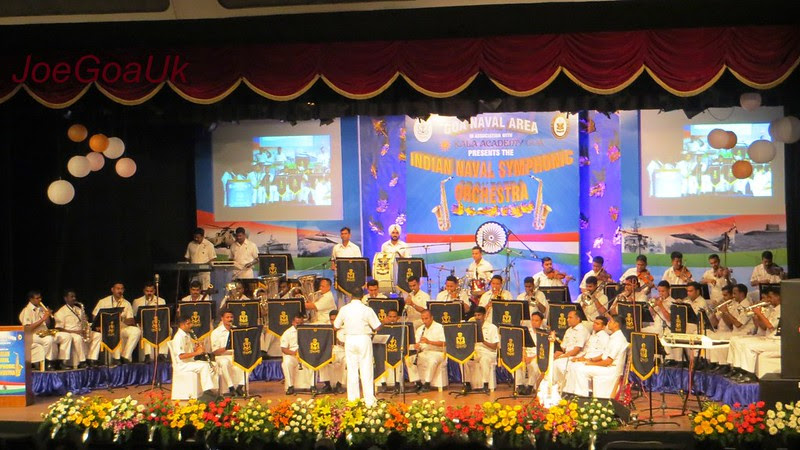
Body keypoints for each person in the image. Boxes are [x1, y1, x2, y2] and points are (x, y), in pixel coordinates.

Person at [333, 294, 382, 406]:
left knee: (352, 370)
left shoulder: (344, 309)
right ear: (361, 297)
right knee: (366, 369)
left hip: (350, 339)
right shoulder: (367, 309)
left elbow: (335, 326)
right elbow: (377, 327)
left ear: (351, 296)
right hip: (363, 339)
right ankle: (369, 401)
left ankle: (353, 401)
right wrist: (383, 322)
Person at [563, 314, 629, 398]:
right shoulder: (613, 337)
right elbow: (603, 355)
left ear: (616, 324)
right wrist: (589, 360)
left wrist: (591, 364)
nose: (608, 323)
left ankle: (581, 396)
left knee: (580, 369)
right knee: (575, 366)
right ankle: (570, 393)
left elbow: (608, 361)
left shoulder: (618, 339)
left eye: (610, 321)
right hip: (607, 366)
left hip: (611, 369)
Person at [727, 288, 781, 382]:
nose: (768, 299)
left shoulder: (781, 310)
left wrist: (759, 313)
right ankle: (737, 369)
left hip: (776, 341)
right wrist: (756, 316)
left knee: (749, 346)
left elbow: (770, 326)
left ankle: (750, 374)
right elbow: (763, 327)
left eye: (770, 297)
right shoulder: (773, 309)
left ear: (778, 297)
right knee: (736, 340)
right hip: (768, 338)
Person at [20, 290, 71, 371]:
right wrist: (43, 318)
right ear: (31, 299)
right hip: (33, 335)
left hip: (44, 332)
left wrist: (47, 317)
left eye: (40, 297)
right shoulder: (26, 311)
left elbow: (47, 325)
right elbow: (27, 328)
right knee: (49, 339)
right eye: (37, 298)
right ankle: (49, 362)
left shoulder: (41, 308)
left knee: (66, 336)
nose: (40, 300)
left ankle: (62, 361)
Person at [172, 314, 217, 402]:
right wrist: (196, 353)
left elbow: (190, 351)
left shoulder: (187, 335)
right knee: (204, 366)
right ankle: (207, 391)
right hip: (183, 365)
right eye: (188, 324)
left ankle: (213, 390)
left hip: (190, 362)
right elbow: (181, 356)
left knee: (213, 364)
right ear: (182, 325)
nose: (191, 325)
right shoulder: (178, 337)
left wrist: (197, 348)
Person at [93, 282, 142, 365]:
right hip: (108, 329)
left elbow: (131, 320)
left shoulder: (126, 303)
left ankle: (125, 356)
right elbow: (95, 316)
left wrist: (120, 319)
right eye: (118, 289)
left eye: (122, 289)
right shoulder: (103, 301)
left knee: (136, 331)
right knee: (115, 333)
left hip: (122, 328)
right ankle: (116, 358)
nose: (120, 291)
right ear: (112, 289)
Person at [555, 316, 610, 389]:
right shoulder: (593, 335)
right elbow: (587, 351)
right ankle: (564, 388)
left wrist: (589, 360)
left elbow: (604, 355)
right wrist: (579, 358)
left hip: (594, 361)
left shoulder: (605, 337)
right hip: (585, 358)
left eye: (597, 324)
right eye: (594, 323)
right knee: (564, 364)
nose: (594, 325)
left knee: (574, 367)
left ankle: (578, 392)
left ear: (603, 327)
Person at [54, 289, 101, 368]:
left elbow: (84, 322)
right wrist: (75, 332)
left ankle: (92, 359)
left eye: (74, 297)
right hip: (70, 333)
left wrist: (85, 321)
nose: (74, 298)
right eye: (71, 297)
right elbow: (59, 329)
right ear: (65, 298)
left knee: (98, 335)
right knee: (78, 338)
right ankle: (82, 361)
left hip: (81, 331)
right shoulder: (60, 312)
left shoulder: (79, 309)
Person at [407, 310, 446, 393]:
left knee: (432, 360)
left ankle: (427, 384)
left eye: (426, 318)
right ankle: (418, 382)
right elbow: (416, 344)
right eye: (423, 319)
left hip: (438, 352)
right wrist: (416, 346)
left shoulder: (439, 327)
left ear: (431, 318)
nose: (424, 321)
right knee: (409, 359)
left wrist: (429, 342)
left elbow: (444, 343)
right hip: (424, 352)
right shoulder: (420, 329)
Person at [463, 306, 499, 394]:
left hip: (488, 352)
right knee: (464, 359)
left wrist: (482, 340)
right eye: (475, 315)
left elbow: (494, 346)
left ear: (484, 315)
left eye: (479, 315)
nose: (477, 317)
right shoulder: (471, 327)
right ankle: (467, 383)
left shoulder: (492, 327)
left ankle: (485, 384)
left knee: (484, 359)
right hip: (475, 351)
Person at [210, 309, 245, 397]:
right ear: (222, 318)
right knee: (224, 363)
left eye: (231, 317)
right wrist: (227, 347)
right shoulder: (216, 332)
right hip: (222, 356)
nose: (230, 319)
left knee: (250, 361)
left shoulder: (237, 330)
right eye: (227, 317)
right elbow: (215, 351)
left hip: (236, 356)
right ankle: (231, 388)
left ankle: (240, 387)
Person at [132, 282, 168, 362]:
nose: (149, 293)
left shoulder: (161, 301)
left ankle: (162, 354)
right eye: (147, 291)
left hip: (158, 325)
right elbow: (134, 317)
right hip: (143, 325)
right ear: (144, 291)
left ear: (154, 291)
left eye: (151, 291)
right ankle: (147, 355)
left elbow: (164, 315)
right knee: (145, 330)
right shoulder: (137, 301)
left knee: (169, 330)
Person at [551, 310, 589, 387]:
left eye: (570, 317)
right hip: (566, 355)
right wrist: (557, 354)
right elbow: (563, 347)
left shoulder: (582, 331)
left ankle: (564, 387)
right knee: (551, 361)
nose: (567, 319)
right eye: (567, 317)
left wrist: (563, 356)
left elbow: (576, 350)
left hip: (576, 357)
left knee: (558, 364)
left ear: (578, 319)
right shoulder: (569, 330)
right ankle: (555, 386)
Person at [515, 311, 543, 395]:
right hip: (526, 354)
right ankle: (520, 385)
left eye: (536, 320)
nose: (534, 322)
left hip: (537, 356)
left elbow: (544, 350)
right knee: (517, 362)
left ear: (541, 321)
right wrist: (524, 355)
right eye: (532, 320)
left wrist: (532, 358)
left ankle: (530, 386)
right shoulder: (526, 332)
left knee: (534, 365)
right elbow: (521, 345)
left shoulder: (544, 333)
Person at [320, 310, 346, 394]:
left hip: (342, 352)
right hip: (330, 352)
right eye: (331, 320)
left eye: (335, 319)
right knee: (322, 360)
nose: (333, 322)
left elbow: (351, 344)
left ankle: (339, 385)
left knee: (346, 362)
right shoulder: (327, 329)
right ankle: (327, 385)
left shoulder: (346, 329)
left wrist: (340, 342)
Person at [280, 313, 307, 395]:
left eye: (301, 323)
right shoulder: (287, 333)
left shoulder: (307, 330)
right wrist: (294, 353)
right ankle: (290, 386)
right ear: (293, 322)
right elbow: (283, 349)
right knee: (286, 363)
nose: (299, 325)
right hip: (293, 355)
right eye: (297, 323)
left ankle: (313, 386)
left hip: (306, 356)